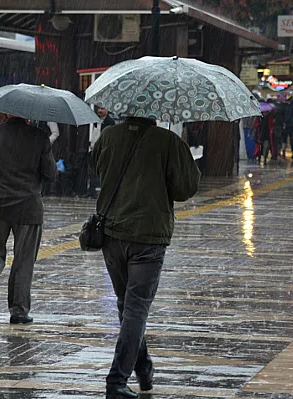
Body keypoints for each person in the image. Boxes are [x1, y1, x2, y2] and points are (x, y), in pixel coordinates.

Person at [91, 116, 200, 399]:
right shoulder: (168, 141)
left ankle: (143, 368)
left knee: (128, 305)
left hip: (112, 233)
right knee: (136, 308)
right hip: (148, 236)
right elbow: (186, 188)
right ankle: (116, 380)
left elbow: (97, 169)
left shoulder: (108, 136)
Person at [0, 114, 57, 325]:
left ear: (6, 113)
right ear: (29, 116)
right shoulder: (40, 137)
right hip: (28, 208)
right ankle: (19, 311)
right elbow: (51, 175)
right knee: (24, 261)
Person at [88, 106, 115, 198]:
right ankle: (92, 190)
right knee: (93, 170)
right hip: (93, 148)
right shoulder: (93, 120)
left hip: (104, 149)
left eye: (102, 109)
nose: (100, 111)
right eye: (99, 109)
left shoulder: (110, 122)